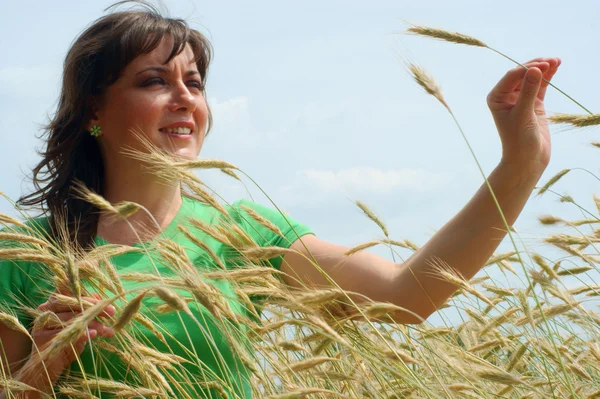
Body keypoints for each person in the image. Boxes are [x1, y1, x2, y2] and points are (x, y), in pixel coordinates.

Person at [0, 1, 561, 398]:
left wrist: (519, 166)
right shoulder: (26, 255)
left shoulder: (242, 235)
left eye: (193, 83)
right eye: (153, 82)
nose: (184, 100)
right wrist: (39, 374)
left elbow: (409, 293)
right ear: (94, 110)